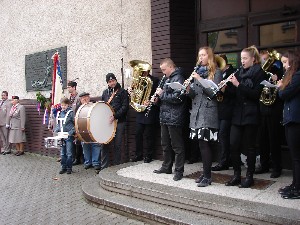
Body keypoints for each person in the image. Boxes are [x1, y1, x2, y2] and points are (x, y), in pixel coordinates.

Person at [224, 46, 265, 188]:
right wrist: (225, 88)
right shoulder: (239, 72)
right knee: (233, 144)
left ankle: (249, 177)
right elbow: (235, 94)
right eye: (241, 58)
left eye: (245, 58)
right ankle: (236, 175)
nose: (242, 61)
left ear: (253, 59)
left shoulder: (260, 74)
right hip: (237, 114)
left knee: (250, 147)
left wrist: (238, 84)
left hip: (251, 114)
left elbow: (255, 94)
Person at [186, 47, 222, 187]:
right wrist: (188, 90)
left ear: (209, 56)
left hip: (208, 112)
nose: (200, 57)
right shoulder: (197, 72)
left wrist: (200, 79)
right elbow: (195, 95)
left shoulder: (216, 72)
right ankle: (205, 172)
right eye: (199, 55)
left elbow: (214, 93)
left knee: (205, 143)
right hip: (196, 112)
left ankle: (208, 176)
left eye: (203, 55)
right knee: (201, 144)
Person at [153, 58, 187, 181]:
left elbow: (178, 98)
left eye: (164, 70)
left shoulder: (179, 78)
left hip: (175, 117)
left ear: (171, 67)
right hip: (164, 116)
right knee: (165, 144)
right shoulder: (166, 79)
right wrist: (156, 100)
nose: (163, 72)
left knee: (177, 146)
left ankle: (179, 171)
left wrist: (162, 94)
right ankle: (166, 167)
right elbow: (165, 99)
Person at [255, 50, 284, 178]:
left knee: (274, 139)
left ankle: (277, 167)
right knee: (262, 139)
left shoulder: (279, 71)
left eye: (266, 59)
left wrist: (275, 81)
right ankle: (264, 164)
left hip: (274, 109)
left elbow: (281, 89)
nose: (264, 62)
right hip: (262, 109)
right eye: (262, 60)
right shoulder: (260, 73)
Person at [277, 50, 300, 199]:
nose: (284, 65)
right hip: (290, 119)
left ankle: (298, 189)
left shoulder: (298, 76)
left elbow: (283, 94)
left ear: (292, 61)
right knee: (294, 156)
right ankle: (294, 184)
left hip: (296, 120)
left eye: (285, 62)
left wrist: (281, 86)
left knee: (297, 157)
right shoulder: (292, 76)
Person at [129, 70, 160, 163]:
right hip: (140, 110)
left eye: (143, 71)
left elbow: (157, 96)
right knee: (138, 134)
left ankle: (149, 155)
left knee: (149, 135)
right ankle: (138, 154)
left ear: (147, 71)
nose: (141, 73)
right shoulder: (138, 81)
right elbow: (135, 94)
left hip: (150, 110)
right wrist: (131, 91)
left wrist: (151, 100)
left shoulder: (154, 80)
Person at [211, 54, 235, 171]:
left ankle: (224, 161)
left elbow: (234, 92)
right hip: (220, 108)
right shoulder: (219, 73)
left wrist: (224, 90)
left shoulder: (232, 73)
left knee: (223, 135)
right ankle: (227, 159)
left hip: (229, 109)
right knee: (222, 136)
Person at [101, 73, 129, 169]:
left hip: (119, 121)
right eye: (110, 81)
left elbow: (124, 107)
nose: (112, 83)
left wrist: (115, 116)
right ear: (107, 83)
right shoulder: (105, 93)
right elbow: (103, 106)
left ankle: (117, 166)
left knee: (118, 144)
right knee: (105, 144)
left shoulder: (122, 92)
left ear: (116, 80)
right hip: (108, 122)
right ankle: (104, 166)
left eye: (113, 81)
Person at [78, 92, 102, 173]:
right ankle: (88, 162)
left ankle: (96, 163)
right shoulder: (79, 107)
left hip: (94, 128)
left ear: (89, 97)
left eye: (86, 97)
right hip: (83, 130)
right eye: (82, 98)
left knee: (96, 145)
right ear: (80, 100)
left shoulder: (94, 105)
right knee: (85, 145)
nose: (85, 99)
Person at [54, 97, 75, 174]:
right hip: (61, 136)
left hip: (69, 136)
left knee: (69, 153)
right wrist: (56, 130)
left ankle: (69, 168)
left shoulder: (71, 113)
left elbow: (75, 124)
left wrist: (71, 132)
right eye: (62, 105)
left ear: (68, 105)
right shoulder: (59, 113)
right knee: (62, 153)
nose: (63, 107)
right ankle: (63, 167)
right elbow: (58, 124)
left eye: (65, 105)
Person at [67, 81, 83, 165]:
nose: (68, 88)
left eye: (69, 87)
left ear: (74, 87)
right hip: (70, 121)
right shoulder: (69, 97)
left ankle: (78, 158)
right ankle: (72, 157)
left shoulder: (78, 98)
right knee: (71, 139)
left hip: (77, 120)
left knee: (78, 140)